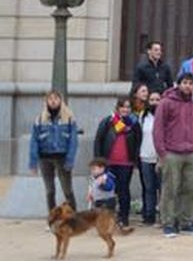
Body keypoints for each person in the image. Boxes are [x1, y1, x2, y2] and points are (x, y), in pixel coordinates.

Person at [154, 72, 193, 237]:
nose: (188, 86)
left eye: (191, 83)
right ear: (178, 84)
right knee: (170, 189)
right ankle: (168, 222)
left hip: (192, 153)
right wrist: (162, 152)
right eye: (185, 83)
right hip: (171, 153)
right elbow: (158, 129)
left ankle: (187, 221)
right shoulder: (166, 103)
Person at [91, 97, 140, 228]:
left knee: (123, 190)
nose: (125, 109)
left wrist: (135, 160)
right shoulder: (108, 122)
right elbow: (98, 141)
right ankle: (107, 218)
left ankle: (124, 217)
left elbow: (138, 142)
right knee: (107, 192)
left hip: (126, 163)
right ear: (117, 108)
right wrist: (98, 162)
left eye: (128, 107)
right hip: (109, 163)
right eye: (123, 107)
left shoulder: (134, 124)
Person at [29, 91, 80, 212]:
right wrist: (33, 162)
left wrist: (70, 160)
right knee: (49, 190)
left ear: (60, 101)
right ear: (46, 101)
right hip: (44, 158)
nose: (53, 101)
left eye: (56, 98)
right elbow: (34, 141)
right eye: (50, 98)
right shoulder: (40, 119)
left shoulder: (69, 118)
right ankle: (52, 218)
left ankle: (73, 216)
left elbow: (73, 141)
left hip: (62, 158)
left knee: (67, 189)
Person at [138, 90, 161, 227]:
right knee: (149, 188)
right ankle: (149, 215)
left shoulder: (165, 116)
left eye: (157, 100)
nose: (154, 103)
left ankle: (163, 215)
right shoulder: (143, 116)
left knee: (162, 189)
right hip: (145, 157)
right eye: (152, 100)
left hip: (161, 158)